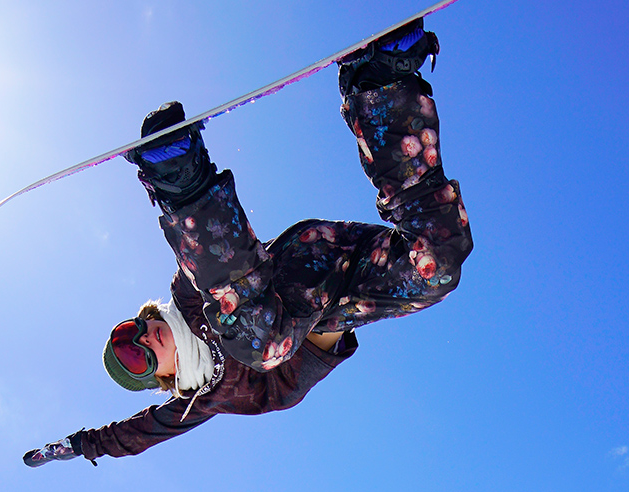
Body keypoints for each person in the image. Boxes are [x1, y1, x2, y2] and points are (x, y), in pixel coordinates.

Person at [23, 18, 472, 467]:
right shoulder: (200, 400)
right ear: (159, 379)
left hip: (298, 266)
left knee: (260, 343)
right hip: (341, 298)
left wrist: (181, 188)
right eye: (136, 358)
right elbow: (135, 434)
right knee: (436, 268)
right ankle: (380, 87)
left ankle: (181, 177)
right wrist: (78, 446)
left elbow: (210, 270)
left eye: (128, 333)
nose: (144, 339)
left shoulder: (188, 298)